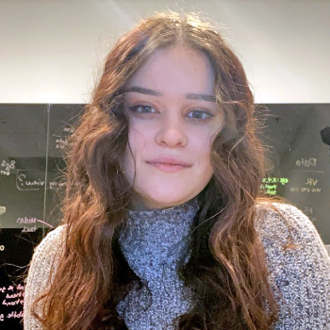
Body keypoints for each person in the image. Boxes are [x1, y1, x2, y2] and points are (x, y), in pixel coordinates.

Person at [24, 11, 330, 330]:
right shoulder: (58, 257)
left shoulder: (281, 242)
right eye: (145, 108)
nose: (171, 135)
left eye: (197, 113)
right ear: (112, 123)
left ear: (226, 134)